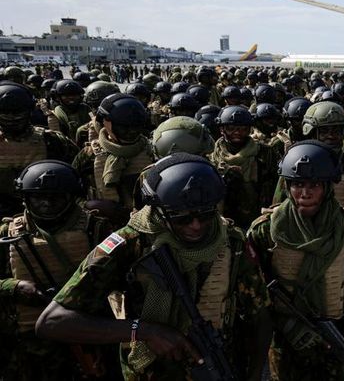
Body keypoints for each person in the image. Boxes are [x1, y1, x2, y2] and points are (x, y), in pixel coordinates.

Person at [35, 154, 272, 380]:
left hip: (219, 365)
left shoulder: (232, 241)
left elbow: (259, 314)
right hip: (150, 372)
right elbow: (52, 322)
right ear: (158, 210)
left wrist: (255, 374)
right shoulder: (130, 243)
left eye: (205, 214)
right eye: (181, 217)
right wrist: (145, 331)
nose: (196, 225)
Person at [247, 141, 344, 379]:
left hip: (336, 333)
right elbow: (255, 297)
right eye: (297, 184)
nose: (305, 193)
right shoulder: (265, 231)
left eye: (314, 185)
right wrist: (285, 326)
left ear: (327, 187)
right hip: (287, 340)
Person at [0, 161, 112, 380]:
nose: (47, 204)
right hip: (30, 341)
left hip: (89, 332)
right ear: (25, 198)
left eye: (56, 197)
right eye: (38, 198)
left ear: (70, 197)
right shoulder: (8, 232)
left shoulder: (96, 228)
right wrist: (14, 287)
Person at [0, 81, 79, 217]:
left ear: (29, 111)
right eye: (5, 113)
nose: (12, 118)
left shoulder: (52, 140)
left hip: (48, 211)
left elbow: (76, 176)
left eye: (18, 113)